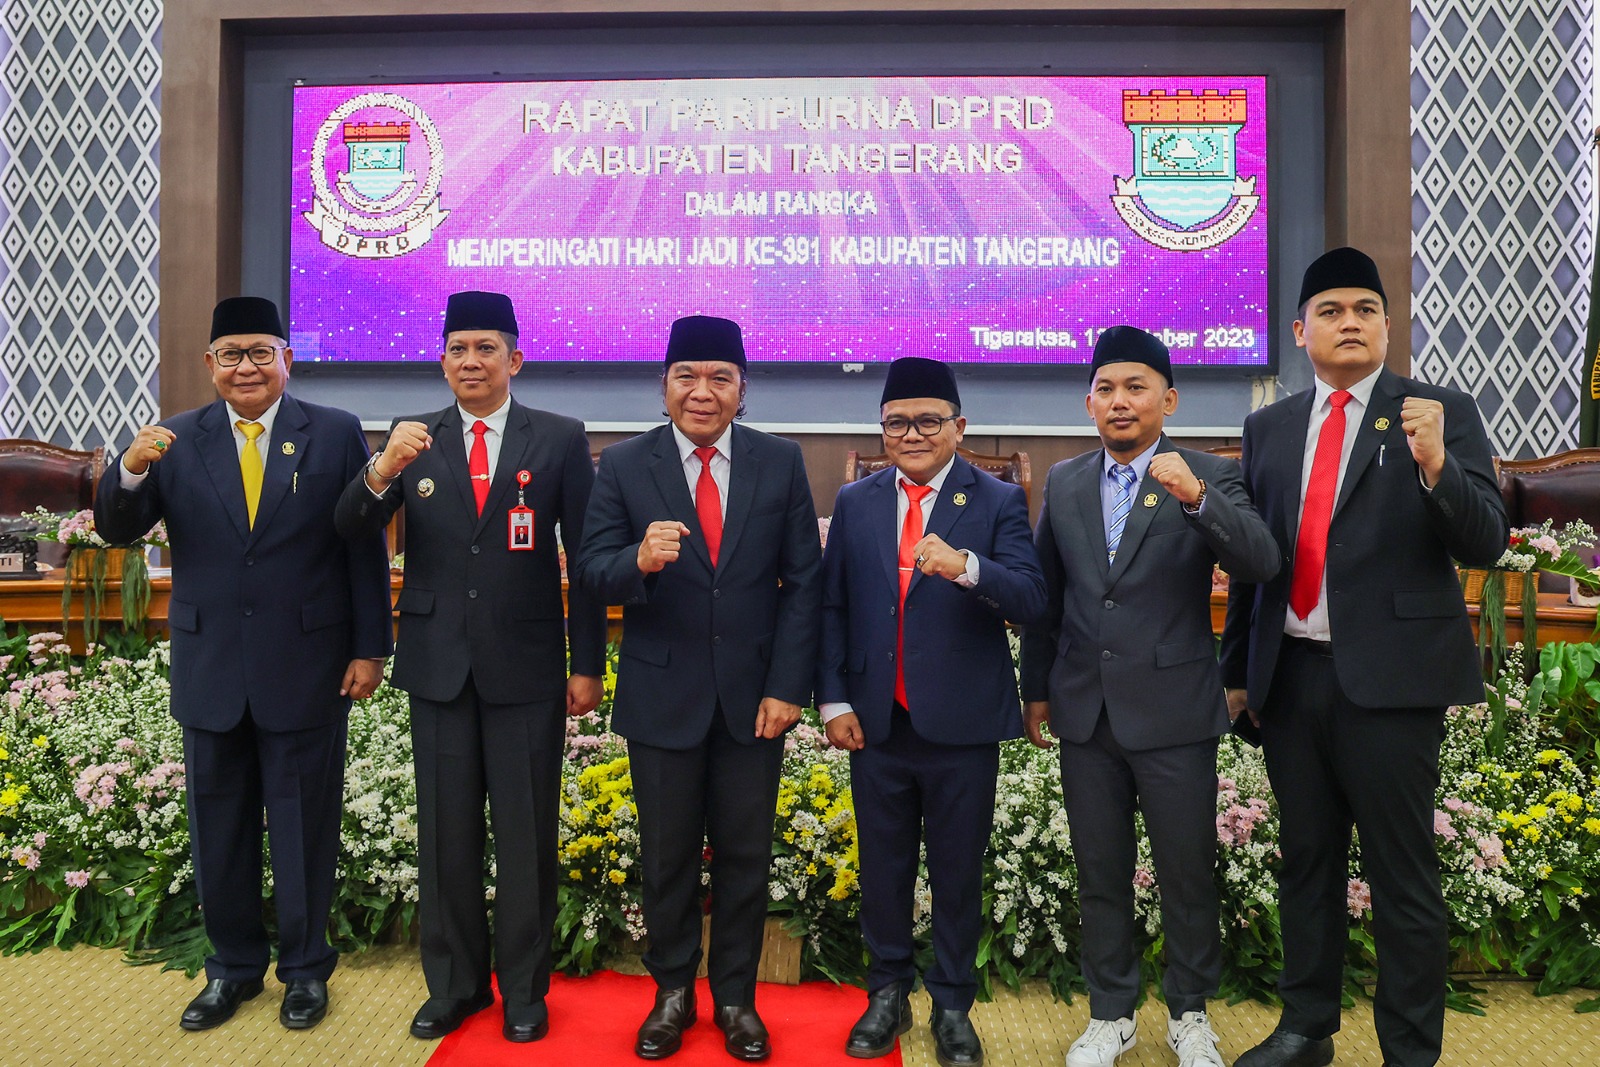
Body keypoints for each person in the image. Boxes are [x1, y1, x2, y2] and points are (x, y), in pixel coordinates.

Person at [1220, 248, 1507, 1067]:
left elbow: (1484, 538)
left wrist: (1437, 466)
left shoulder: (1437, 410)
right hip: (1294, 678)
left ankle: (1410, 1050)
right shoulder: (1269, 426)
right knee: (1306, 861)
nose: (1351, 321)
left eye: (1367, 309)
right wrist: (1239, 673)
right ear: (1301, 329)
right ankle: (1307, 1027)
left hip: (1391, 686)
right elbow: (1256, 560)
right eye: (1334, 309)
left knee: (1401, 873)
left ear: (1387, 325)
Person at [94, 296, 392, 1032]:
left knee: (302, 828)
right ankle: (230, 971)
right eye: (232, 354)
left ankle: (303, 972)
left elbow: (363, 543)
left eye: (262, 351)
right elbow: (115, 527)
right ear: (210, 365)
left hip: (310, 662)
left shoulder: (332, 431)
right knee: (218, 831)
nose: (247, 366)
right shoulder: (174, 439)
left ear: (287, 358)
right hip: (212, 664)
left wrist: (369, 646)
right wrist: (128, 469)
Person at [333, 290, 606, 1043]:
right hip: (438, 667)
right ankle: (454, 985)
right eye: (458, 348)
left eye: (486, 347)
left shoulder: (557, 438)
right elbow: (350, 527)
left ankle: (524, 989)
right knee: (446, 837)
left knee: (525, 838)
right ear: (443, 360)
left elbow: (583, 563)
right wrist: (381, 469)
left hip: (526, 670)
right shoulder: (411, 439)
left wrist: (587, 664)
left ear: (514, 359)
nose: (470, 361)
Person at [1018, 327, 1279, 1067]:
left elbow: (1259, 560)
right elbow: (1048, 595)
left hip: (1172, 711)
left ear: (1168, 398)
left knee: (1186, 870)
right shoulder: (1067, 480)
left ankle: (1191, 1012)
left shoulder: (1207, 472)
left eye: (1136, 387)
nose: (1120, 401)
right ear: (1090, 401)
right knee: (1099, 870)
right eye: (1106, 388)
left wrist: (1199, 502)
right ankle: (1112, 1013)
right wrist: (1036, 689)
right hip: (1085, 709)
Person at [574, 315, 822, 1062]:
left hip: (756, 702)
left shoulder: (780, 462)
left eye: (720, 377)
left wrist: (788, 686)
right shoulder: (622, 464)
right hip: (662, 697)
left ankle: (738, 998)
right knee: (668, 855)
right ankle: (672, 992)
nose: (702, 391)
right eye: (687, 376)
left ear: (743, 388)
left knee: (746, 854)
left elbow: (804, 584)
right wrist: (636, 564)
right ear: (665, 385)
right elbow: (589, 570)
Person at [816, 356, 1047, 1067]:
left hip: (962, 725)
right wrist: (833, 698)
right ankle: (885, 990)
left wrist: (967, 567)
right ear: (882, 430)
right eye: (896, 422)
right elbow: (833, 606)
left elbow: (1032, 600)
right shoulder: (857, 501)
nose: (911, 434)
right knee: (882, 868)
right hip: (877, 722)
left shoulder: (998, 500)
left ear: (958, 426)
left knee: (956, 870)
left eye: (927, 420)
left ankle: (952, 1003)